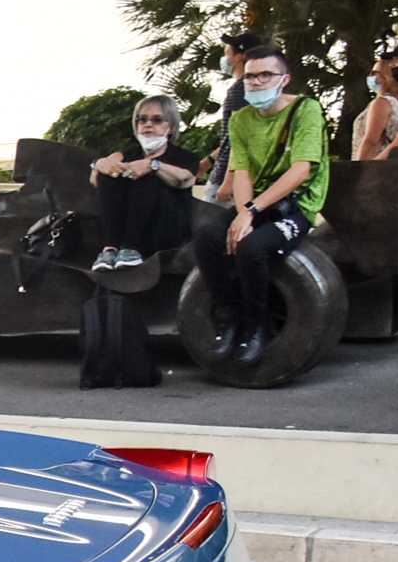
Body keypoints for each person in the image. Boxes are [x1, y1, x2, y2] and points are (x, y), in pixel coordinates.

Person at [187, 44, 328, 363]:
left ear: (285, 79)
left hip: (295, 205)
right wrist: (242, 214)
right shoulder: (241, 120)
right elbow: (241, 171)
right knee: (207, 238)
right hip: (256, 202)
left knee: (253, 250)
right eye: (251, 76)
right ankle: (226, 316)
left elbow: (300, 170)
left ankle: (255, 327)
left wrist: (251, 212)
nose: (257, 82)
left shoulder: (306, 110)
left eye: (266, 75)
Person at [89, 94, 200, 269]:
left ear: (170, 127)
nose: (148, 125)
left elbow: (185, 179)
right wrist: (99, 165)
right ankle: (110, 248)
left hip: (166, 229)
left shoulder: (184, 157)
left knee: (147, 178)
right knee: (111, 175)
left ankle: (131, 248)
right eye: (142, 120)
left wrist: (153, 165)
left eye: (157, 120)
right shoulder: (125, 155)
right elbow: (97, 179)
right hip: (123, 229)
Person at [206, 30, 266, 197]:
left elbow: (239, 138)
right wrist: (208, 162)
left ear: (239, 56)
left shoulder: (239, 91)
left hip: (227, 178)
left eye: (228, 51)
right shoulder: (255, 88)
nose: (225, 57)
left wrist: (229, 181)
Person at [352, 53, 398, 162]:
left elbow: (370, 140)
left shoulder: (382, 103)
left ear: (385, 77)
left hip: (374, 165)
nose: (371, 78)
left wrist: (358, 169)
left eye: (374, 73)